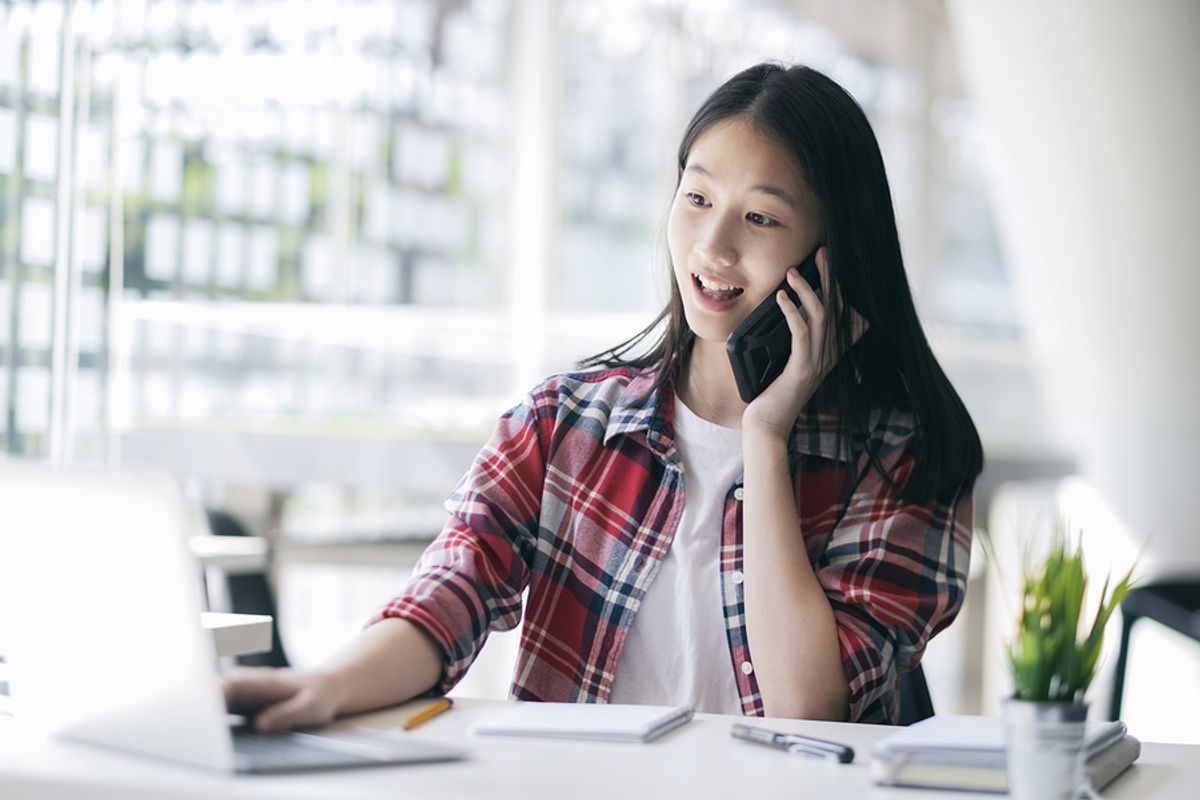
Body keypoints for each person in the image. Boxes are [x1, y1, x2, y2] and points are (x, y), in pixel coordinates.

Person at [224, 62, 983, 730]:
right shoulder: (566, 424)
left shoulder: (908, 459)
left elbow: (807, 708)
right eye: (696, 200)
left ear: (833, 255)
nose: (713, 248)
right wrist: (324, 686)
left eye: (760, 217)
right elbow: (450, 592)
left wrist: (767, 437)